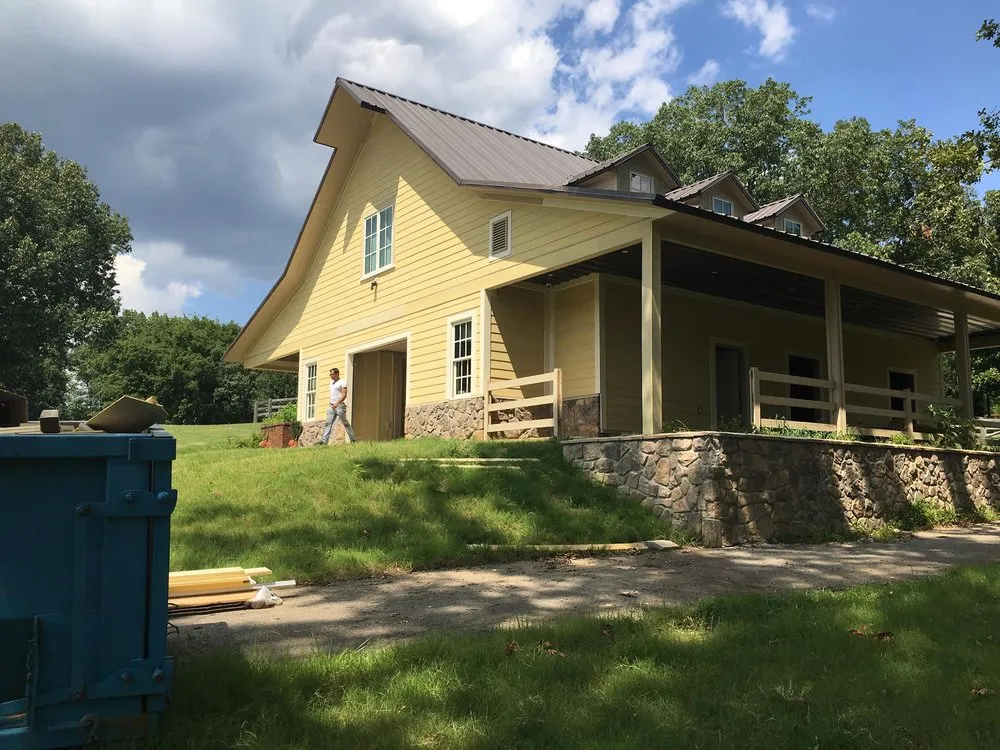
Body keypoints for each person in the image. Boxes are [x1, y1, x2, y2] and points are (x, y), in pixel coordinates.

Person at [320, 367, 356, 444]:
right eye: (330, 374)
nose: (331, 376)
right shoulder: (331, 383)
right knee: (328, 423)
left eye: (332, 374)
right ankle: (323, 441)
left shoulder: (343, 382)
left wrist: (337, 403)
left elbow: (344, 395)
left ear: (337, 374)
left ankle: (353, 439)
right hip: (331, 406)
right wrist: (332, 404)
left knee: (345, 423)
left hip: (339, 406)